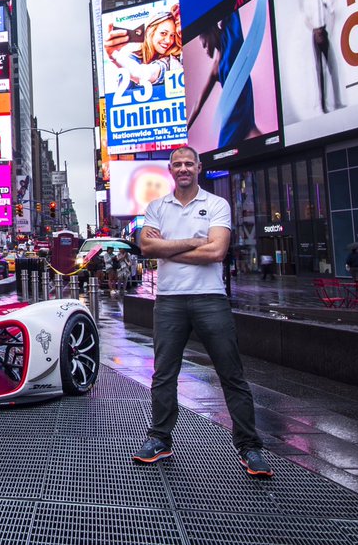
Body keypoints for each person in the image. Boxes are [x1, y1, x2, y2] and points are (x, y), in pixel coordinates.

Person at [134, 146, 272, 478]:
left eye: (188, 164)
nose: (183, 168)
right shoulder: (156, 207)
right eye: (177, 164)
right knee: (163, 375)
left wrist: (169, 247)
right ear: (170, 169)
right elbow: (146, 247)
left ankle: (249, 447)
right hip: (169, 301)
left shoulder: (216, 204)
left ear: (198, 167)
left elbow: (217, 251)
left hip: (210, 299)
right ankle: (160, 439)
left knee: (231, 374)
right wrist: (196, 241)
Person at [188, 12, 263, 149]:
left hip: (244, 105)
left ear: (210, 33)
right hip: (232, 113)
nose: (205, 50)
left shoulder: (230, 31)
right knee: (227, 148)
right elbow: (199, 103)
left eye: (204, 45)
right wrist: (184, 130)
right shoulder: (216, 68)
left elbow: (229, 5)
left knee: (254, 136)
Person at [105, 6, 183, 87]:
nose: (168, 40)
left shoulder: (171, 60)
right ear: (150, 31)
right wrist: (113, 55)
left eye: (172, 35)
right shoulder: (130, 59)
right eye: (163, 33)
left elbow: (143, 73)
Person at [310, 0, 344, 114]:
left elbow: (332, 11)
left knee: (332, 67)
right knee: (320, 70)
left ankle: (337, 102)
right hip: (315, 33)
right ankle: (323, 106)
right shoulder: (311, 0)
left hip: (323, 32)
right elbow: (307, 18)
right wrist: (315, 31)